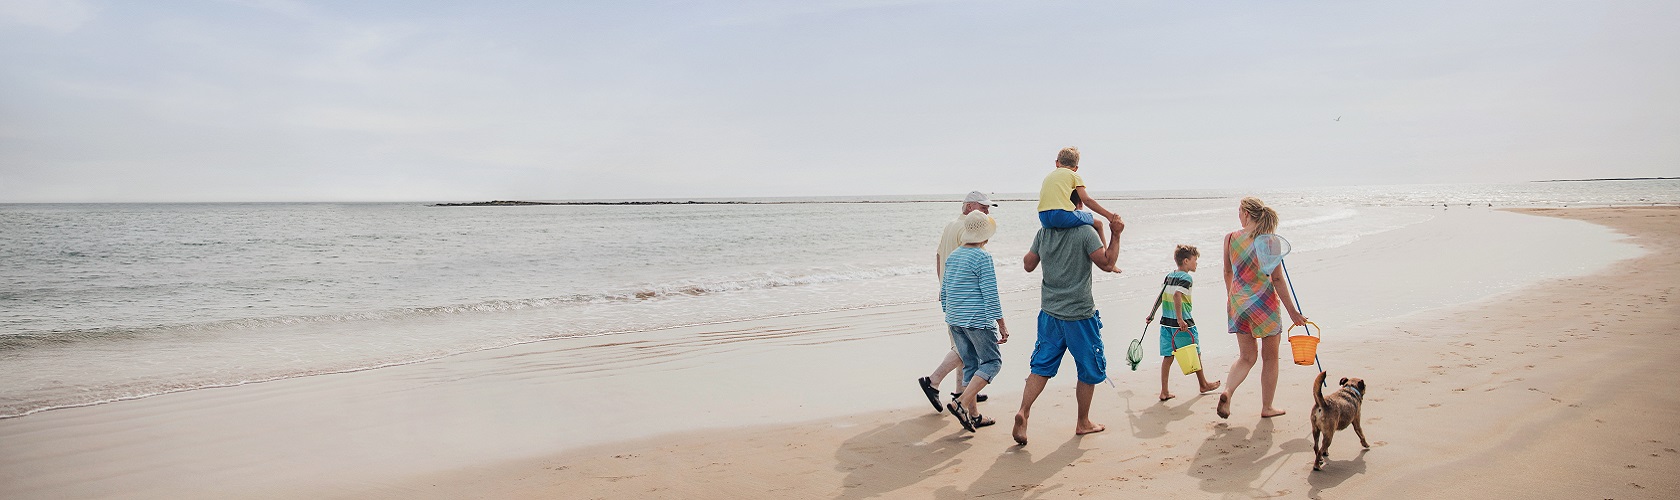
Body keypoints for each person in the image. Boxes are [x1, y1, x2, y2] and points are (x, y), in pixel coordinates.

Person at [1012, 206, 1124, 445]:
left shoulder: (1045, 232)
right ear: (1078, 206)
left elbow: (1028, 265)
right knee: (1088, 369)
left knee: (1041, 366)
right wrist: (1116, 234)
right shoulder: (1085, 232)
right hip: (1079, 315)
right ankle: (1083, 422)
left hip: (1049, 313)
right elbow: (1107, 263)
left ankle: (1024, 410)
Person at [1216, 197, 1308, 419]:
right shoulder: (1270, 241)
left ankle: (1228, 391)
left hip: (1238, 302)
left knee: (1246, 357)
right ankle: (1267, 407)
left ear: (1247, 213)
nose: (1238, 216)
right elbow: (1277, 279)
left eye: (1239, 211)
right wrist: (1293, 312)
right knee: (1270, 358)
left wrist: (1233, 298)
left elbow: (1228, 272)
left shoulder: (1230, 239)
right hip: (1264, 303)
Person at [918, 191, 996, 411]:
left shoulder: (950, 225)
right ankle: (933, 381)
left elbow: (939, 257)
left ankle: (964, 392)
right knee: (964, 348)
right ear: (970, 207)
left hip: (951, 294)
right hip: (964, 298)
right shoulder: (969, 229)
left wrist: (943, 286)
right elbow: (974, 267)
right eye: (984, 207)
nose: (987, 212)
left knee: (963, 347)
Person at [940, 211, 1008, 431]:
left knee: (971, 365)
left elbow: (945, 291)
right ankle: (960, 403)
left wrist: (949, 315)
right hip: (977, 320)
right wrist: (1001, 324)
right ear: (986, 236)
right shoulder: (982, 257)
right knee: (992, 363)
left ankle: (974, 416)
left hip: (955, 319)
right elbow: (990, 294)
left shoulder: (954, 256)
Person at [1145, 245, 1221, 401]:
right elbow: (1177, 296)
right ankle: (1203, 384)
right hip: (1183, 324)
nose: (1196, 263)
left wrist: (1151, 315)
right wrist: (1180, 319)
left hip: (1166, 324)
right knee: (1195, 351)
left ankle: (1164, 392)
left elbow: (1161, 296)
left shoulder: (1169, 275)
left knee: (1168, 356)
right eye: (1195, 260)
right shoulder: (1186, 277)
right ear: (1186, 261)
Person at [1037, 147, 1119, 229]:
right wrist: (1109, 215)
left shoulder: (1048, 176)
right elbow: (1087, 200)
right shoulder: (1074, 175)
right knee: (1098, 224)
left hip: (1043, 218)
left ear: (1057, 163)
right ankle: (1101, 242)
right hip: (1061, 215)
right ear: (1076, 168)